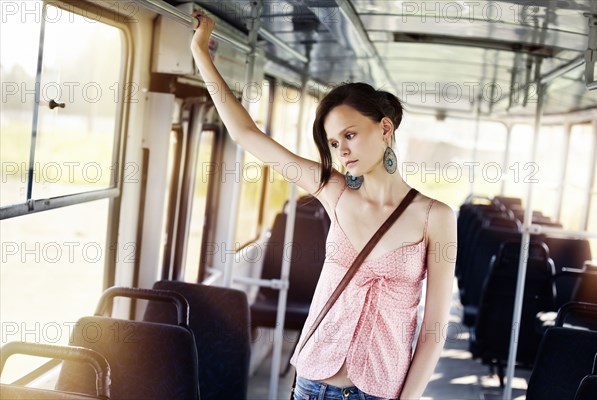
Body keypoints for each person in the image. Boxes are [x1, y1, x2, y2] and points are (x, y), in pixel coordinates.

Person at [191, 11, 456, 400]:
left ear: (385, 128)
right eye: (333, 142)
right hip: (313, 384)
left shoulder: (436, 217)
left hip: (379, 392)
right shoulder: (334, 192)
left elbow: (434, 331)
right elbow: (247, 134)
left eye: (350, 134)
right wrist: (201, 54)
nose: (341, 150)